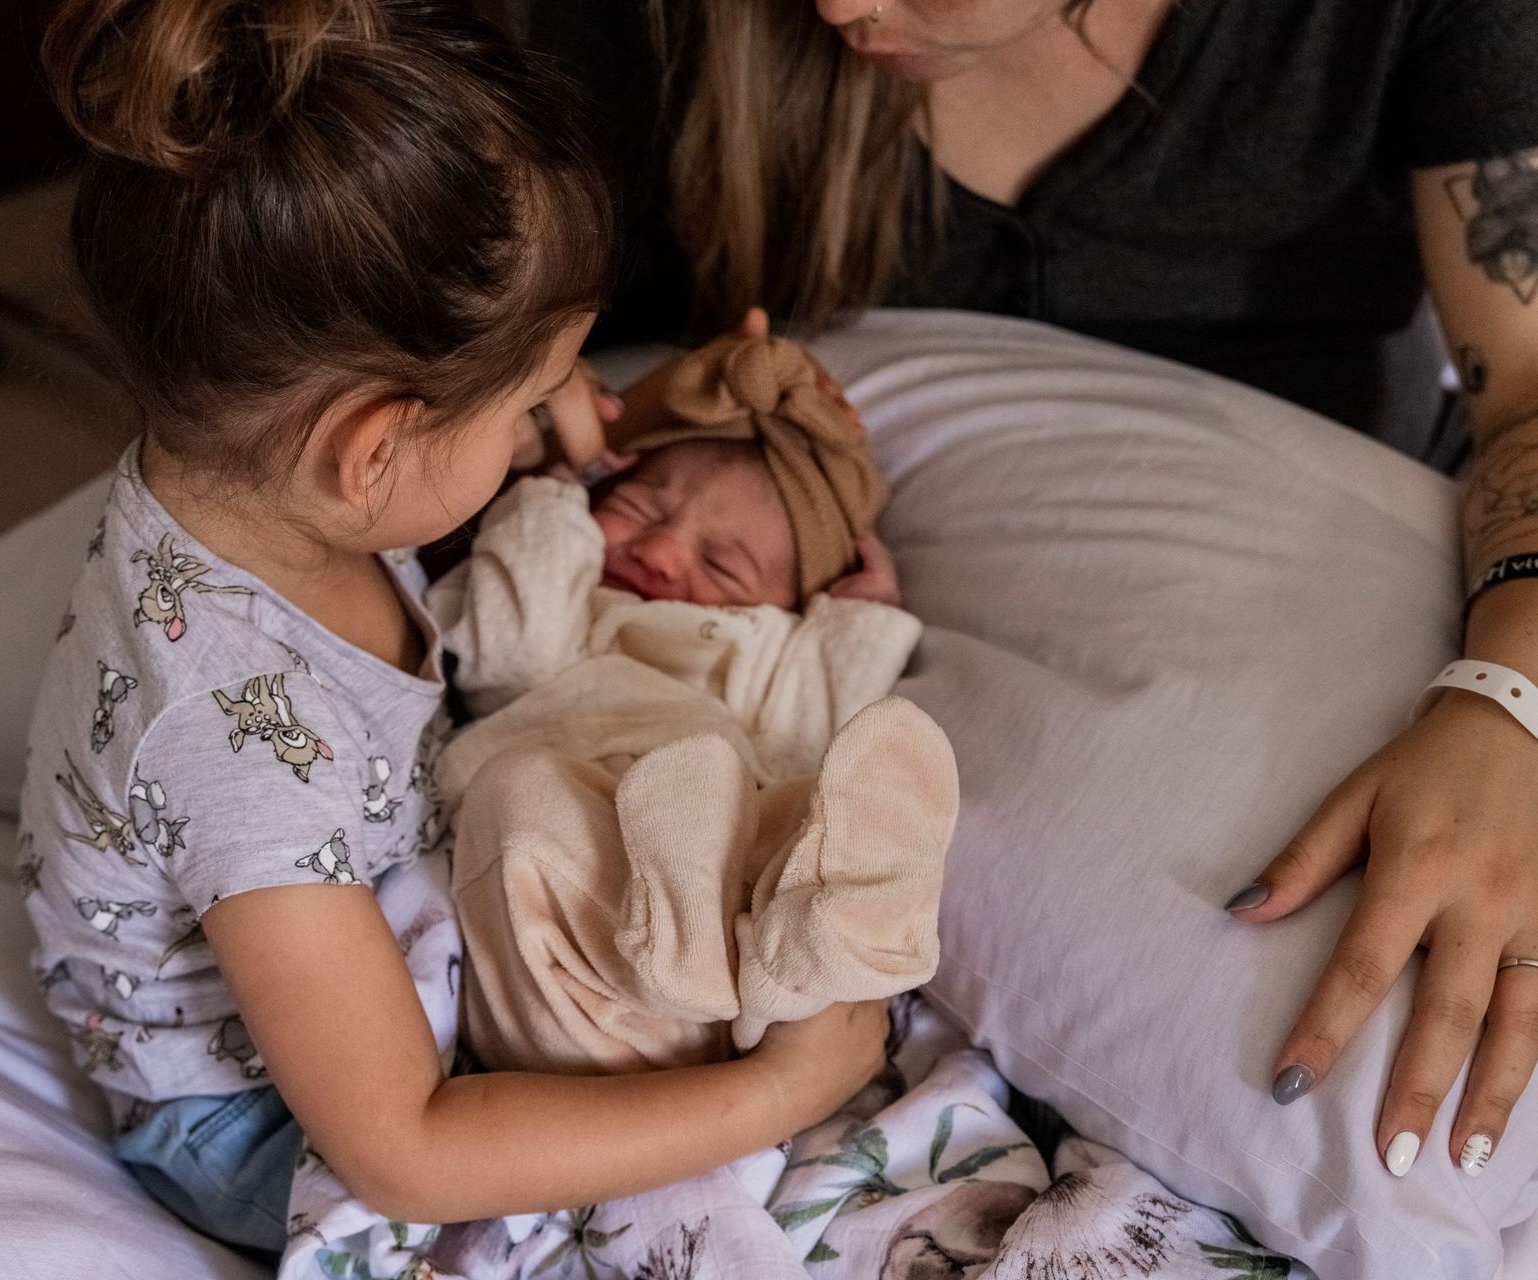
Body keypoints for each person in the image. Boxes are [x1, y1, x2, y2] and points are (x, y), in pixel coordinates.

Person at [514, 0, 1538, 1182]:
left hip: (1334, 556)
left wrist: (1507, 694)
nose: (842, 8)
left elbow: (1523, 378)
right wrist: (596, 410)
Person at [16, 0, 886, 1256]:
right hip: (266, 1119)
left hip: (377, 924)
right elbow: (406, 1147)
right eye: (540, 396)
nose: (569, 416)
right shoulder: (233, 740)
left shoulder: (249, 464)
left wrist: (642, 417)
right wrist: (783, 1090)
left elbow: (454, 451)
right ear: (372, 449)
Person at [430, 324, 957, 1078]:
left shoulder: (770, 651)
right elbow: (509, 655)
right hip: (573, 973)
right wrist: (554, 497)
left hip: (726, 977)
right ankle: (688, 936)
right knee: (518, 796)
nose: (662, 552)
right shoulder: (571, 608)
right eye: (640, 510)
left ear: (790, 606)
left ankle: (839, 935)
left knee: (805, 799)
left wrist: (859, 622)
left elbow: (804, 739)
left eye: (723, 564)